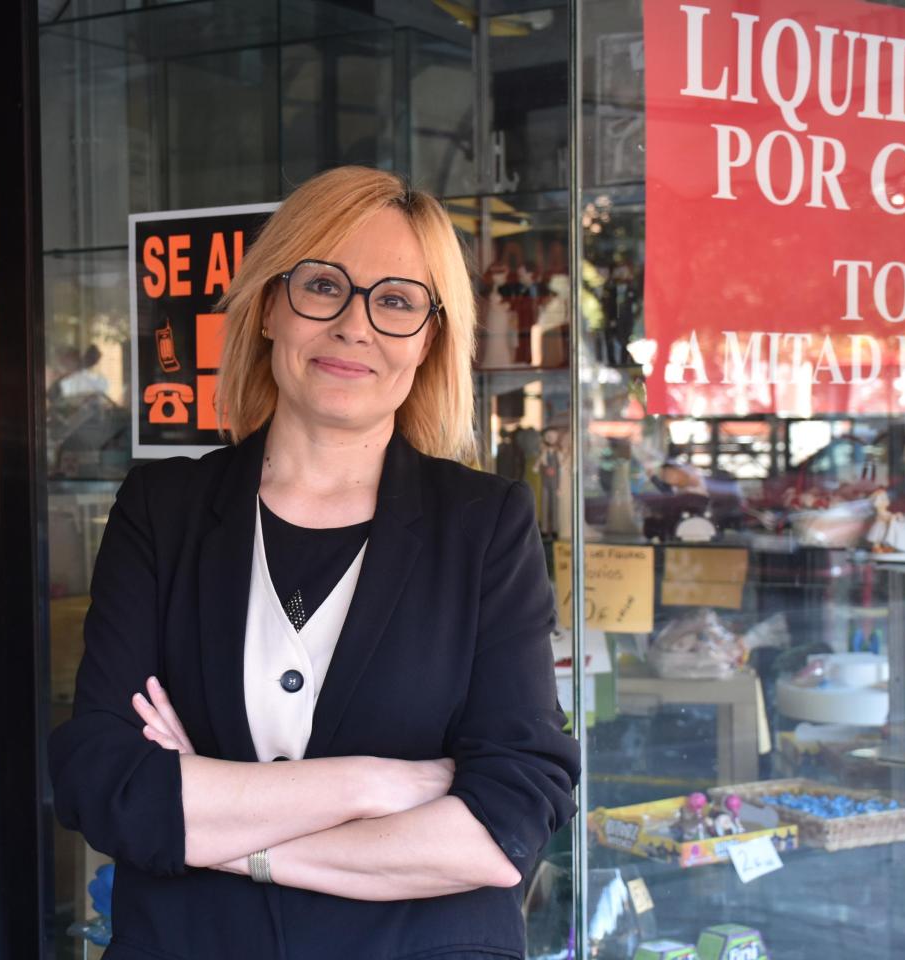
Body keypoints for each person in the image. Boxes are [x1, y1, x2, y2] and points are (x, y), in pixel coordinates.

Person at [47, 166, 579, 960]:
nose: (354, 326)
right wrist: (373, 785)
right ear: (268, 307)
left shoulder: (483, 526)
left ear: (431, 337)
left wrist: (234, 840)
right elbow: (103, 781)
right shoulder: (163, 510)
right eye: (323, 286)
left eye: (396, 300)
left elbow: (506, 823)